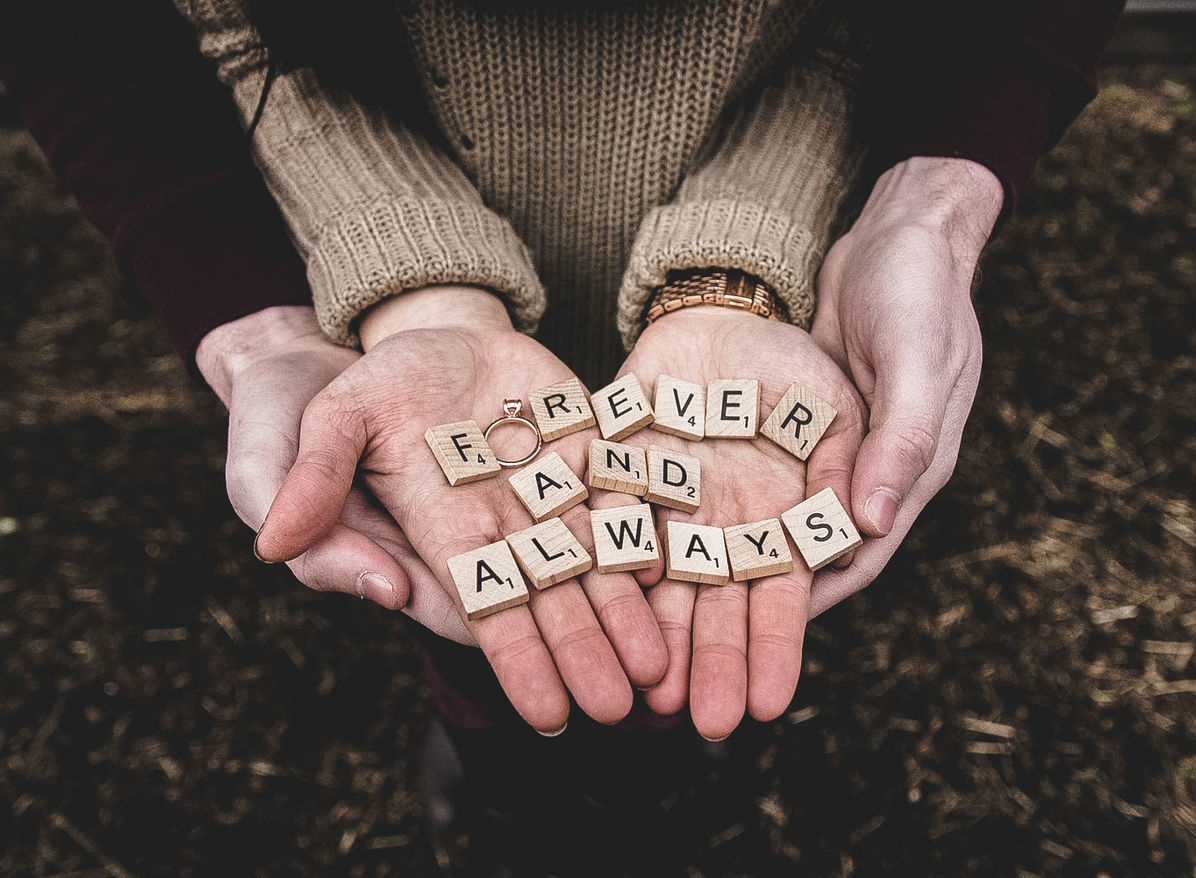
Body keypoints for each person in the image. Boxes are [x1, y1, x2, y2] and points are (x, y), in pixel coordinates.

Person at [2, 0, 1123, 866]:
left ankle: (656, 757)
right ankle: (486, 747)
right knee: (455, 562)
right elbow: (204, 28)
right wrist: (406, 293)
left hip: (769, 271)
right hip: (396, 298)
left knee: (685, 586)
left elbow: (851, 30)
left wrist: (795, 254)